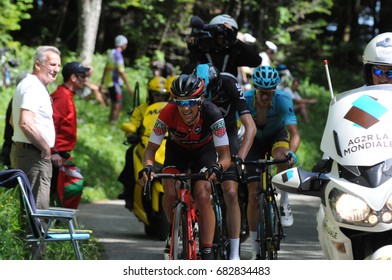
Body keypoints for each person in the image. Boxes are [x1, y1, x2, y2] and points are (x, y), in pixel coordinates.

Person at [138, 74, 231, 260]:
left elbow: (225, 155)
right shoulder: (167, 113)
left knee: (203, 194)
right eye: (180, 103)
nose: (185, 108)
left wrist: (218, 168)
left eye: (190, 102)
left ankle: (206, 249)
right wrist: (148, 168)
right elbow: (149, 152)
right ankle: (174, 232)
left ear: (201, 99)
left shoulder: (212, 113)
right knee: (169, 190)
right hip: (177, 151)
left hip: (204, 152)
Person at [195, 63, 256, 260]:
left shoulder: (229, 83)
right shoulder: (191, 84)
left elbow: (250, 126)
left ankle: (235, 252)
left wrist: (240, 158)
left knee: (231, 192)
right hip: (204, 140)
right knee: (201, 189)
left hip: (228, 137)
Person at [243, 65, 300, 260]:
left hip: (276, 135)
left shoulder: (283, 100)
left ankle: (284, 201)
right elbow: (237, 131)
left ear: (275, 90)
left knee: (282, 156)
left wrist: (292, 152)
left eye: (269, 93)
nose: (266, 97)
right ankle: (254, 248)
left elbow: (294, 133)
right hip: (253, 140)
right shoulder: (245, 99)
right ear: (255, 89)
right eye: (262, 92)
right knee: (252, 192)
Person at [10, 45, 61, 258]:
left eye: (58, 64)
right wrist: (45, 148)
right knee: (37, 214)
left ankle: (27, 259)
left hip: (25, 151)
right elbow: (25, 123)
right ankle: (35, 263)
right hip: (34, 155)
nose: (56, 69)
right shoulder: (33, 87)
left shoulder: (28, 84)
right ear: (38, 64)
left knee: (29, 211)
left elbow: (13, 121)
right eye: (52, 64)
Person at [118, 76, 169, 210]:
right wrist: (132, 132)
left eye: (163, 95)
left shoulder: (172, 108)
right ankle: (128, 192)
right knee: (131, 153)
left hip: (167, 142)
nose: (160, 98)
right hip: (146, 141)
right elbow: (133, 124)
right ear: (149, 94)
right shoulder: (141, 109)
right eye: (156, 95)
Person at [50, 61, 90, 206]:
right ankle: (56, 224)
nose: (85, 80)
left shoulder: (67, 95)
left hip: (62, 154)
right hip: (56, 155)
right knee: (68, 187)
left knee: (72, 187)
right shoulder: (61, 97)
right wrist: (53, 151)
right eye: (82, 76)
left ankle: (60, 223)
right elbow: (51, 124)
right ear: (73, 78)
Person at [181, 14, 261, 77]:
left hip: (229, 93)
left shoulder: (233, 52)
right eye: (219, 34)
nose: (223, 37)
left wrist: (235, 41)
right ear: (213, 33)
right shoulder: (204, 49)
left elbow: (256, 61)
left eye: (228, 34)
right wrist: (193, 49)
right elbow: (188, 70)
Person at [100, 34, 133, 122]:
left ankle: (110, 122)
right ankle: (113, 125)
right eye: (125, 44)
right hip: (116, 83)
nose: (126, 46)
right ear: (122, 44)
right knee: (118, 105)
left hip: (109, 83)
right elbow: (121, 72)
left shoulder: (111, 53)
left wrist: (102, 82)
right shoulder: (118, 55)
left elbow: (106, 68)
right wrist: (129, 87)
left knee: (114, 104)